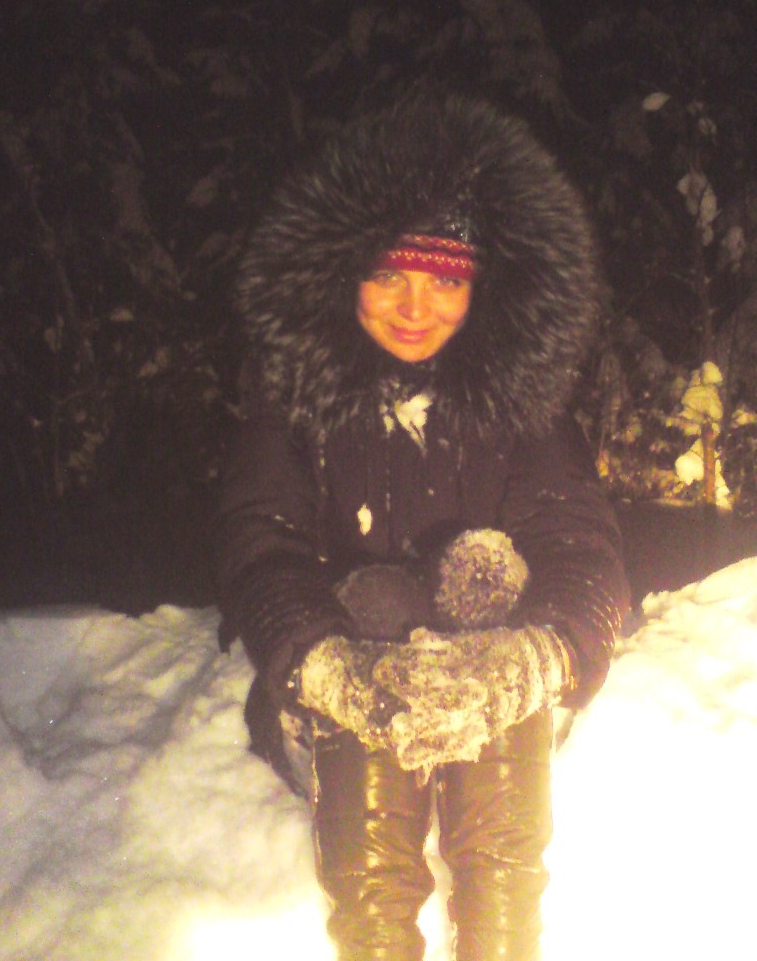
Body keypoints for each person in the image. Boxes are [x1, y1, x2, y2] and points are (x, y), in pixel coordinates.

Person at [215, 89, 630, 961]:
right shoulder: (297, 394)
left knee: (492, 578)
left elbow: (580, 546)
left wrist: (537, 656)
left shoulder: (517, 401)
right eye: (388, 276)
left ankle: (501, 942)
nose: (415, 306)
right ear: (345, 277)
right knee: (376, 599)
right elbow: (261, 545)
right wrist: (327, 666)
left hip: (493, 714)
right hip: (335, 704)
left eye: (445, 280)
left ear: (481, 290)